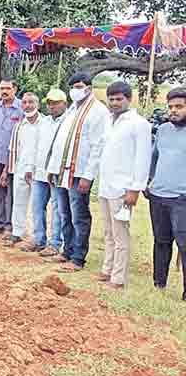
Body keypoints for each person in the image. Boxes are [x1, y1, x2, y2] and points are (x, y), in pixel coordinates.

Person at [46, 73, 109, 272]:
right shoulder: (73, 110)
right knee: (64, 213)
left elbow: (98, 146)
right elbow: (61, 143)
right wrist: (52, 168)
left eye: (79, 86)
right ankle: (67, 250)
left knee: (79, 216)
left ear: (89, 88)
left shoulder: (98, 112)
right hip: (62, 172)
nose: (75, 90)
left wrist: (88, 176)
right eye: (73, 86)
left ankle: (78, 257)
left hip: (79, 174)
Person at [95, 81, 152, 289]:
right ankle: (107, 269)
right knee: (108, 232)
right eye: (111, 99)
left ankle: (118, 278)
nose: (115, 103)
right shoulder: (109, 121)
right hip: (106, 186)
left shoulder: (139, 124)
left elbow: (142, 159)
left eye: (119, 99)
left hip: (123, 188)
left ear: (129, 99)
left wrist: (135, 189)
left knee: (120, 234)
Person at [148, 87, 186, 301]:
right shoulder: (162, 130)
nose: (173, 111)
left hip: (182, 198)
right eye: (170, 107)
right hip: (159, 195)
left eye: (179, 107)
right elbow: (153, 157)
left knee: (185, 244)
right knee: (161, 242)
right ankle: (158, 285)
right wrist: (148, 181)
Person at [25, 88, 67, 256]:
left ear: (64, 103)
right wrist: (30, 167)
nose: (52, 107)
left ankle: (55, 243)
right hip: (40, 171)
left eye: (55, 103)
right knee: (37, 207)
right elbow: (35, 146)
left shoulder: (68, 122)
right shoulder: (44, 122)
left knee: (57, 209)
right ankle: (38, 239)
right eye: (49, 103)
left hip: (56, 172)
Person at [3, 92, 43, 246]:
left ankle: (36, 237)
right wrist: (7, 170)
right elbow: (12, 149)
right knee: (18, 202)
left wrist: (32, 167)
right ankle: (17, 232)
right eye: (24, 103)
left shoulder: (44, 124)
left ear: (37, 104)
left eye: (31, 102)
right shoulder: (19, 125)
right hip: (20, 169)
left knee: (36, 206)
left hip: (37, 171)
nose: (27, 105)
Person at [0, 79, 23, 237]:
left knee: (10, 193)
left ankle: (10, 225)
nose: (4, 91)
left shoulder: (21, 108)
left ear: (15, 89)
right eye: (2, 88)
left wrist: (9, 166)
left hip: (13, 158)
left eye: (8, 88)